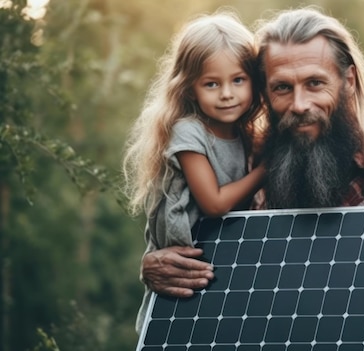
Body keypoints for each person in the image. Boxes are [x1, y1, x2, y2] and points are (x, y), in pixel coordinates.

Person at [139, 7, 364, 351]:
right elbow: (219, 280)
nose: (299, 104)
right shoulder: (255, 181)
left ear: (348, 81)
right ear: (264, 92)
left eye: (315, 83)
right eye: (282, 87)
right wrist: (158, 265)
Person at [122, 11, 266, 332]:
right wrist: (264, 171)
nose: (227, 93)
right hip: (184, 264)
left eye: (238, 80)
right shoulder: (189, 132)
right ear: (190, 88)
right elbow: (214, 203)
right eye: (212, 83)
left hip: (216, 262)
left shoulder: (243, 133)